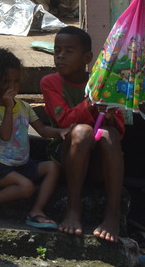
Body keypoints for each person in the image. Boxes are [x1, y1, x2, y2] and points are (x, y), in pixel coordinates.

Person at [39, 25, 126, 243]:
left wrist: (108, 116)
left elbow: (121, 129)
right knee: (82, 131)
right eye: (57, 50)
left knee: (109, 134)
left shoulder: (102, 83)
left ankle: (112, 213)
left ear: (87, 57)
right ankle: (73, 207)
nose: (60, 56)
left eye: (69, 51)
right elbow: (64, 121)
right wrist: (91, 103)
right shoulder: (50, 83)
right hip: (66, 157)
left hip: (98, 163)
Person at [0, 48, 68, 229]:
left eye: (16, 82)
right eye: (6, 82)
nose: (12, 87)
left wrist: (62, 131)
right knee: (27, 187)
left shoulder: (23, 106)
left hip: (20, 164)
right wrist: (8, 108)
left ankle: (37, 211)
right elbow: (6, 136)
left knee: (53, 167)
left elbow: (43, 130)